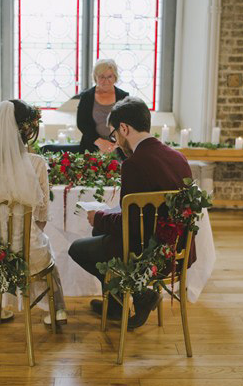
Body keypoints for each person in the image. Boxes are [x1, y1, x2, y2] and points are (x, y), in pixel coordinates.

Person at [68, 96, 196, 329]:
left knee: (77, 248)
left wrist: (98, 216)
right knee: (99, 230)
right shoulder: (177, 156)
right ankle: (118, 304)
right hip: (176, 248)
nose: (115, 141)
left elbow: (132, 226)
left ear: (124, 128)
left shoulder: (135, 163)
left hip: (147, 251)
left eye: (114, 135)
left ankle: (138, 296)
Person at [0, 99, 67, 325]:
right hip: (29, 251)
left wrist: (2, 240)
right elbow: (41, 217)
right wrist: (22, 238)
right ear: (26, 129)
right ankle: (55, 310)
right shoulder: (37, 163)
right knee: (41, 245)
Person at [42, 59, 129, 155]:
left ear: (115, 77)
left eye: (109, 76)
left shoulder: (123, 97)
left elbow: (127, 124)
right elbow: (82, 123)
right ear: (95, 77)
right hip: (91, 147)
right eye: (101, 77)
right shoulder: (87, 96)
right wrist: (100, 142)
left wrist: (117, 144)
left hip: (119, 148)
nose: (106, 81)